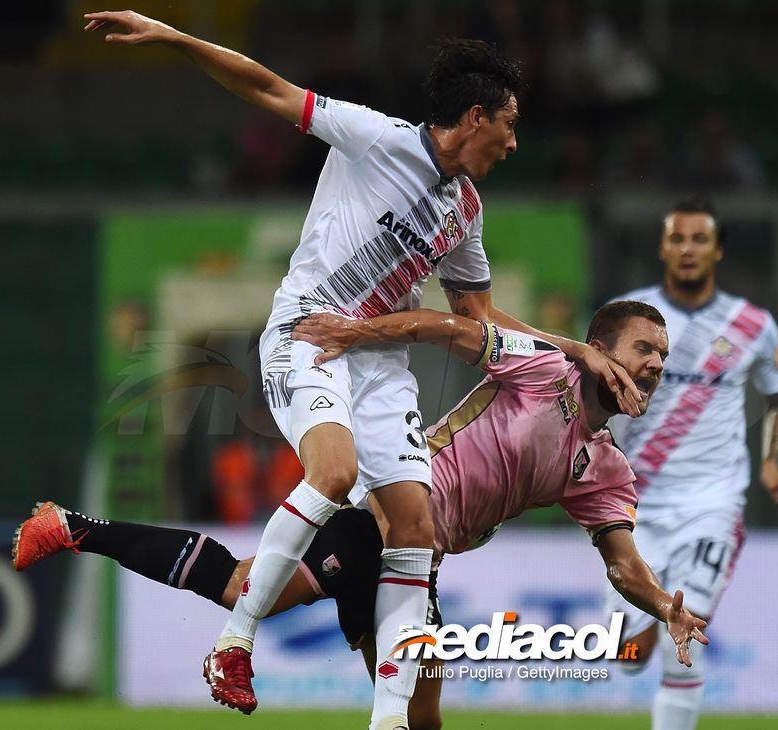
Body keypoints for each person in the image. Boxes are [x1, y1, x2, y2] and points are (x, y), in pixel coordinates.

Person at [83, 10, 640, 726]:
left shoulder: (465, 210)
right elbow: (270, 88)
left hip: (379, 364)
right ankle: (234, 641)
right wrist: (175, 37)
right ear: (475, 117)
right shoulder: (376, 137)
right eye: (508, 124)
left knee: (415, 527)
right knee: (335, 475)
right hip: (310, 332)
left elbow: (479, 317)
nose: (513, 142)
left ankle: (387, 720)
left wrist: (578, 348)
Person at [14, 301, 708, 730]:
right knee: (246, 594)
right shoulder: (545, 368)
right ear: (600, 348)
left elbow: (622, 562)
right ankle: (73, 528)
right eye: (643, 349)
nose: (654, 364)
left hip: (418, 558)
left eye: (663, 356)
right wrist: (359, 331)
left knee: (420, 715)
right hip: (381, 520)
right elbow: (447, 326)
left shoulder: (606, 468)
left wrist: (663, 606)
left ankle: (71, 528)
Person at [605, 196, 778, 730]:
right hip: (634, 506)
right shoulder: (626, 317)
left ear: (717, 251)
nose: (688, 249)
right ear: (662, 248)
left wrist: (773, 462)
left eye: (699, 240)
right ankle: (642, 620)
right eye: (678, 239)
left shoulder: (752, 324)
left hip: (713, 504)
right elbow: (591, 392)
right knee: (626, 655)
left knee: (684, 637)